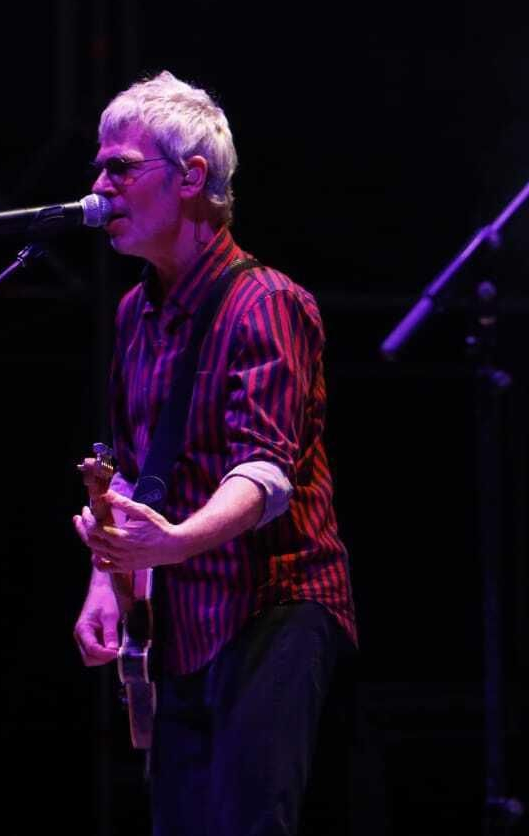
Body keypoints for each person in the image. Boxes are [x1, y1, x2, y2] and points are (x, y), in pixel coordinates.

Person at [72, 71, 357, 835]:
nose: (99, 186)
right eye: (100, 167)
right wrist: (111, 576)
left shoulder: (268, 303)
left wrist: (169, 543)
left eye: (120, 168)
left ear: (192, 176)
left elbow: (264, 475)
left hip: (275, 604)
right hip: (184, 621)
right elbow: (135, 465)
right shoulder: (136, 312)